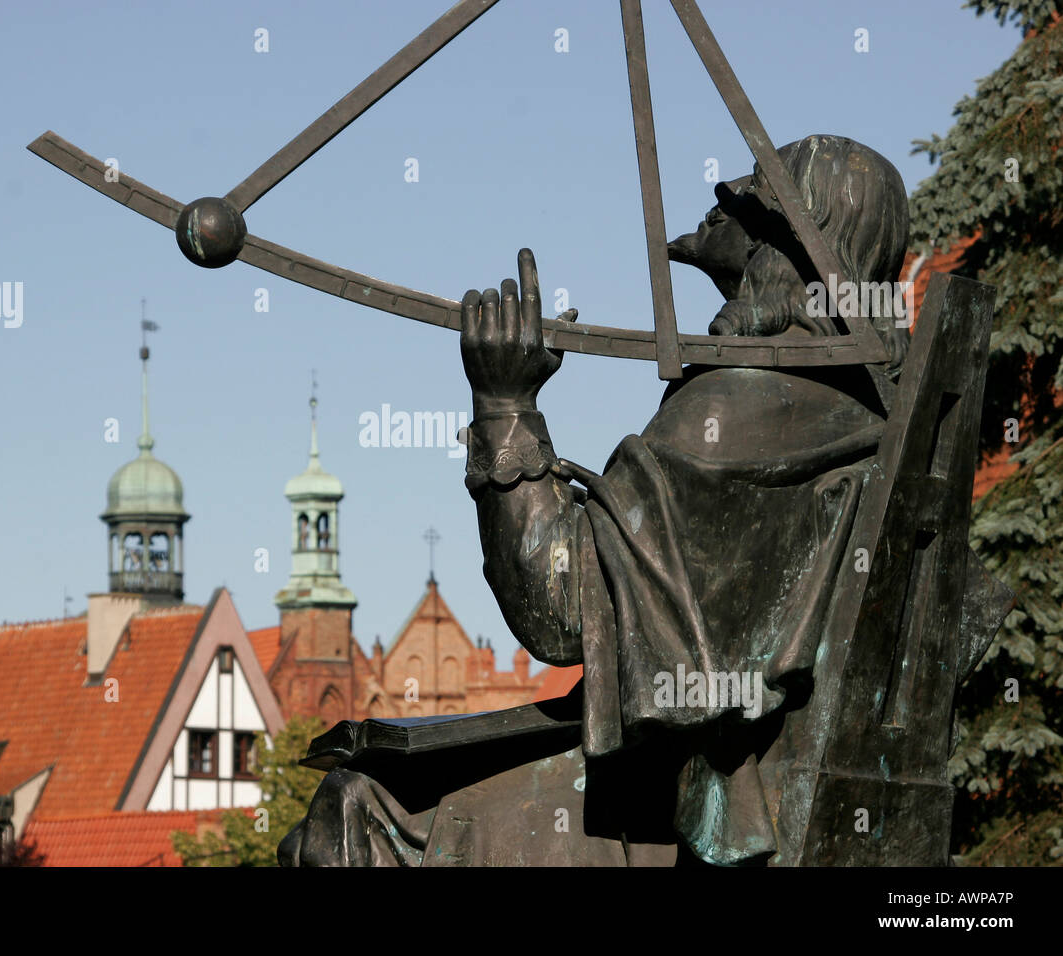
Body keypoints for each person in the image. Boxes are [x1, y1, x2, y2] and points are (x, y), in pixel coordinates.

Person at [283, 135, 912, 866]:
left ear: (789, 240)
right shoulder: (853, 404)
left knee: (361, 811)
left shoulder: (742, 410)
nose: (721, 197)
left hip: (685, 809)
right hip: (742, 786)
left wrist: (503, 402)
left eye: (751, 197)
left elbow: (557, 615)